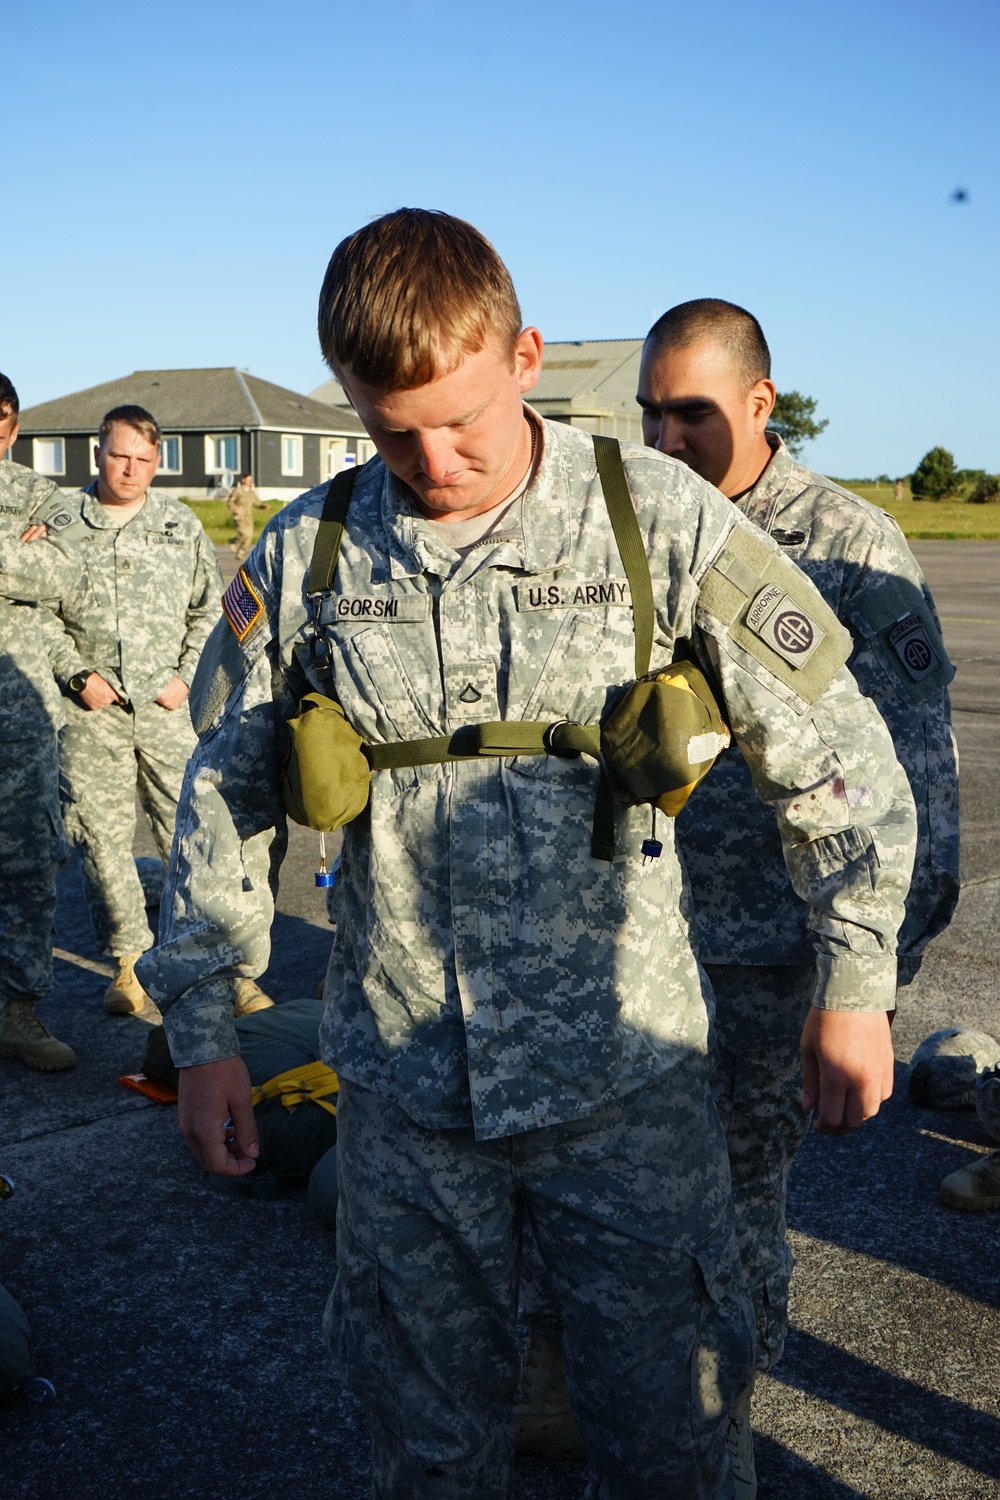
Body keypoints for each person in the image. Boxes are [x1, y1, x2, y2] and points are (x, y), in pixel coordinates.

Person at [138, 211, 917, 1500]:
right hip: (401, 1100)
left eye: (463, 423)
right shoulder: (311, 553)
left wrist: (855, 976)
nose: (432, 462)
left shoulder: (656, 521)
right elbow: (220, 801)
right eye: (392, 431)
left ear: (525, 357)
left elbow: (835, 757)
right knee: (425, 1442)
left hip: (626, 1092)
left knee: (675, 1431)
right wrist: (207, 1028)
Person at [634, 298, 959, 1485]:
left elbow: (917, 762)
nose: (664, 438)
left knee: (736, 1198)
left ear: (760, 404)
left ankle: (720, 1418)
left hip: (772, 944)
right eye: (649, 414)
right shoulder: (641, 529)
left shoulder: (844, 543)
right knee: (617, 1185)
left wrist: (870, 972)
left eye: (691, 413)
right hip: (643, 930)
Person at [41, 405, 262, 1016]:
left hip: (167, 710)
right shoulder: (61, 524)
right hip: (91, 714)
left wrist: (187, 677)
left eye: (143, 460)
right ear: (97, 454)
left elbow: (208, 610)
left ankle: (219, 969)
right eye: (119, 456)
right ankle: (128, 966)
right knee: (102, 843)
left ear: (157, 462)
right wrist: (75, 674)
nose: (130, 470)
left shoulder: (180, 524)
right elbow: (39, 616)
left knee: (194, 836)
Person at [0, 373, 82, 1071]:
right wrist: (12, 557)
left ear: (14, 427)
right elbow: (30, 568)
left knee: (28, 857)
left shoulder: (41, 496)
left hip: (20, 711)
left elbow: (62, 575)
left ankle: (16, 1011)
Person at [226, 473, 268, 562]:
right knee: (244, 534)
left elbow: (256, 503)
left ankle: (240, 553)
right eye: (248, 480)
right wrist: (235, 509)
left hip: (249, 517)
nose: (250, 482)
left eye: (250, 480)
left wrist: (262, 506)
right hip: (239, 517)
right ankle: (233, 541)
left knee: (249, 537)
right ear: (243, 480)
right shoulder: (238, 491)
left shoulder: (251, 492)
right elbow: (230, 502)